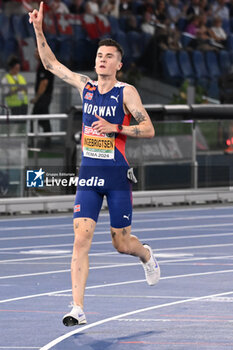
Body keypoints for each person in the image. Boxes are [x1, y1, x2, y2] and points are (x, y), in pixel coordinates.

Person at [29, 1, 160, 327]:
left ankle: (144, 253)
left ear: (119, 64)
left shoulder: (125, 92)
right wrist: (37, 28)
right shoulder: (85, 87)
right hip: (88, 174)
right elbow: (51, 64)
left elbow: (148, 128)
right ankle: (77, 307)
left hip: (116, 175)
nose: (102, 59)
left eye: (109, 56)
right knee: (81, 238)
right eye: (100, 55)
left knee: (120, 243)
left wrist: (117, 127)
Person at [31, 48, 54, 133]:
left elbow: (44, 83)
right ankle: (47, 137)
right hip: (44, 97)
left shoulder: (44, 66)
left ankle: (32, 140)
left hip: (43, 97)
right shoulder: (43, 65)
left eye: (37, 52)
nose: (35, 53)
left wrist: (36, 98)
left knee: (34, 118)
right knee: (43, 119)